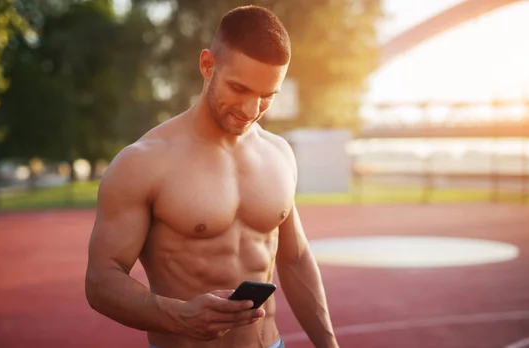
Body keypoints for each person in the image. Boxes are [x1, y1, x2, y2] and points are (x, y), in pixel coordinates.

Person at [85, 5, 340, 348]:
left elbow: (295, 260)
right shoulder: (143, 162)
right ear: (207, 65)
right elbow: (101, 280)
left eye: (267, 97)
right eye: (239, 88)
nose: (252, 111)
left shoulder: (278, 153)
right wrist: (178, 316)